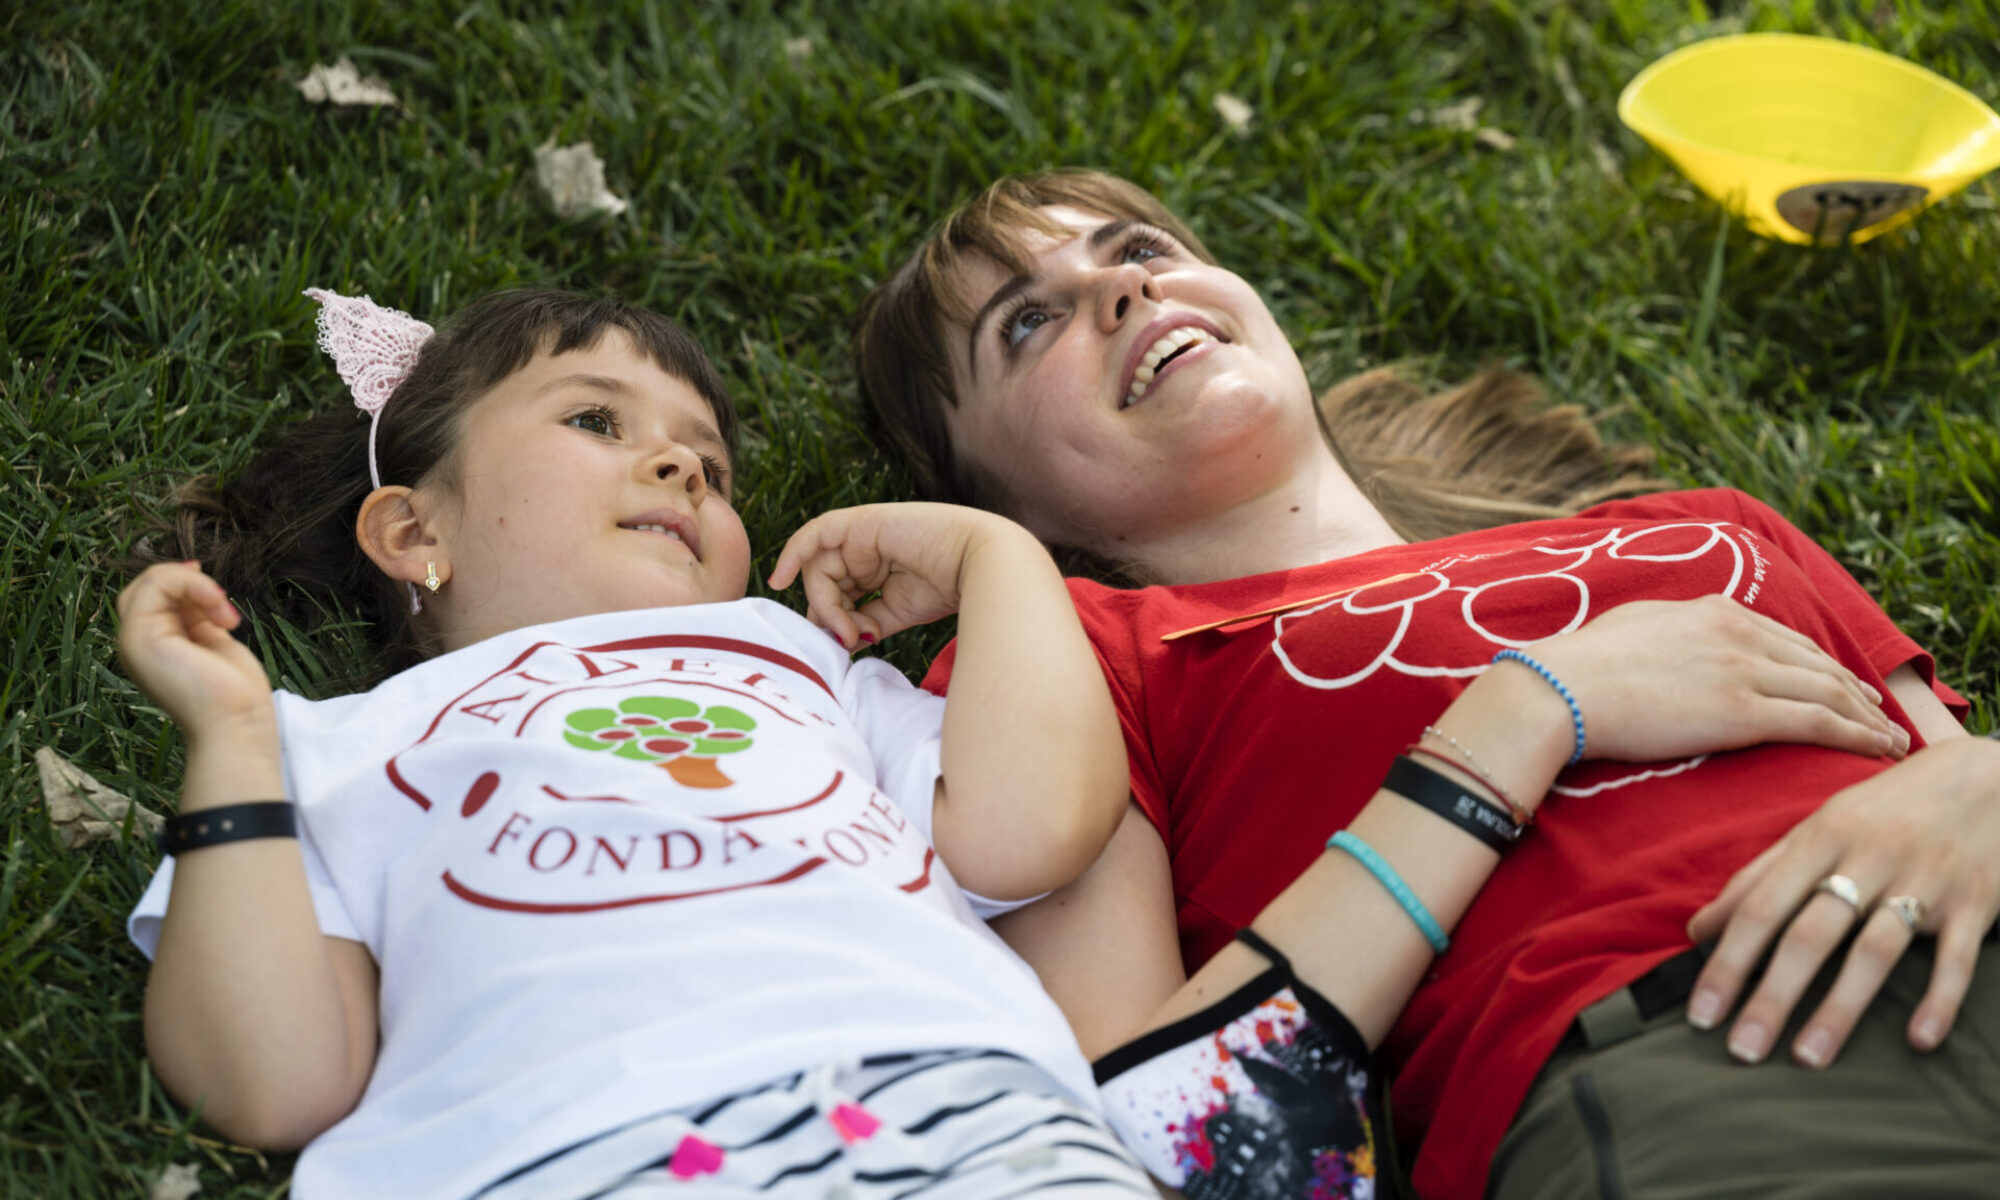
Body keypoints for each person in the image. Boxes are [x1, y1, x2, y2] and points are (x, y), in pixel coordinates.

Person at [853, 169, 2000, 1199]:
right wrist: (1525, 712)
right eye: (1028, 322)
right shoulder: (1090, 662)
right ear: (1000, 498)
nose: (1121, 290)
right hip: (1715, 1059)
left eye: (1139, 249)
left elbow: (1953, 770)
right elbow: (1160, 1138)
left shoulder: (1707, 525)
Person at [117, 287, 1155, 1200]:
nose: (682, 467)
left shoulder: (807, 671)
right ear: (414, 533)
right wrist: (231, 741)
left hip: (961, 1116)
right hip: (559, 1154)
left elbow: (1035, 829)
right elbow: (272, 1083)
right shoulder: (329, 747)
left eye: (712, 465)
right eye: (594, 419)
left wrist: (995, 555)